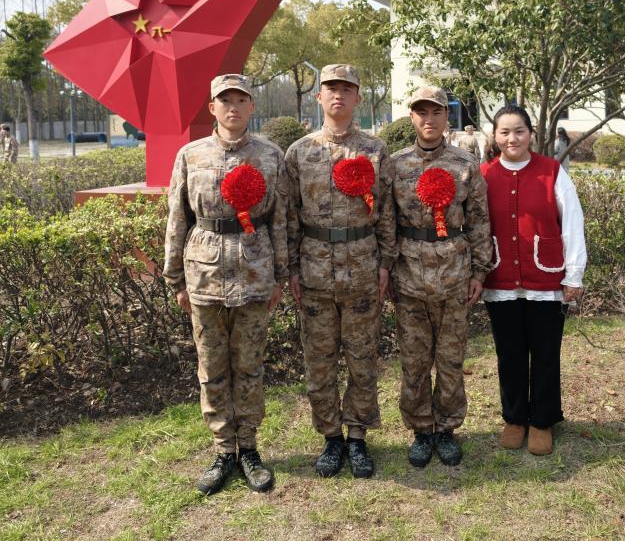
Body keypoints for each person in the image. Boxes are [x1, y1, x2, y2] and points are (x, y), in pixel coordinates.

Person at [164, 74, 289, 495]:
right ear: (212, 108)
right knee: (212, 367)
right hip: (205, 274)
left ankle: (249, 448)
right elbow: (178, 217)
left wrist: (280, 275)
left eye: (240, 100)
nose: (233, 107)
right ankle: (223, 450)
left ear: (251, 107)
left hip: (254, 272)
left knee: (249, 365)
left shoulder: (270, 155)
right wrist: (176, 278)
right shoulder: (190, 155)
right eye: (225, 100)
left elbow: (279, 219)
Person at [285, 64, 396, 479]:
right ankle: (331, 437)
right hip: (314, 271)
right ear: (319, 97)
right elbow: (290, 217)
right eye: (331, 88)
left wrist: (385, 263)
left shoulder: (375, 151)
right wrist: (292, 268)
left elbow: (386, 212)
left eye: (347, 89)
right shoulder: (298, 153)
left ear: (358, 99)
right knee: (320, 362)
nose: (338, 95)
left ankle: (357, 436)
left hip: (362, 267)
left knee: (363, 359)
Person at [390, 87, 493, 467]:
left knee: (450, 359)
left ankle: (447, 428)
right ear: (412, 117)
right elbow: (387, 221)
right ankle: (421, 429)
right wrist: (387, 268)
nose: (429, 119)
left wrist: (479, 271)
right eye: (422, 112)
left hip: (454, 274)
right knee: (415, 361)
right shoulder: (396, 165)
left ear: (447, 116)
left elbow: (479, 220)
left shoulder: (465, 164)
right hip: (409, 275)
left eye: (436, 112)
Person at [481, 105, 586, 456]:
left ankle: (542, 420)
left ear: (531, 134)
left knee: (545, 353)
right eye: (504, 132)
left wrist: (574, 274)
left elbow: (572, 222)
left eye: (519, 131)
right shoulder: (484, 174)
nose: (512, 138)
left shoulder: (551, 171)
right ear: (495, 136)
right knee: (509, 353)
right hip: (500, 278)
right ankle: (514, 418)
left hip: (546, 279)